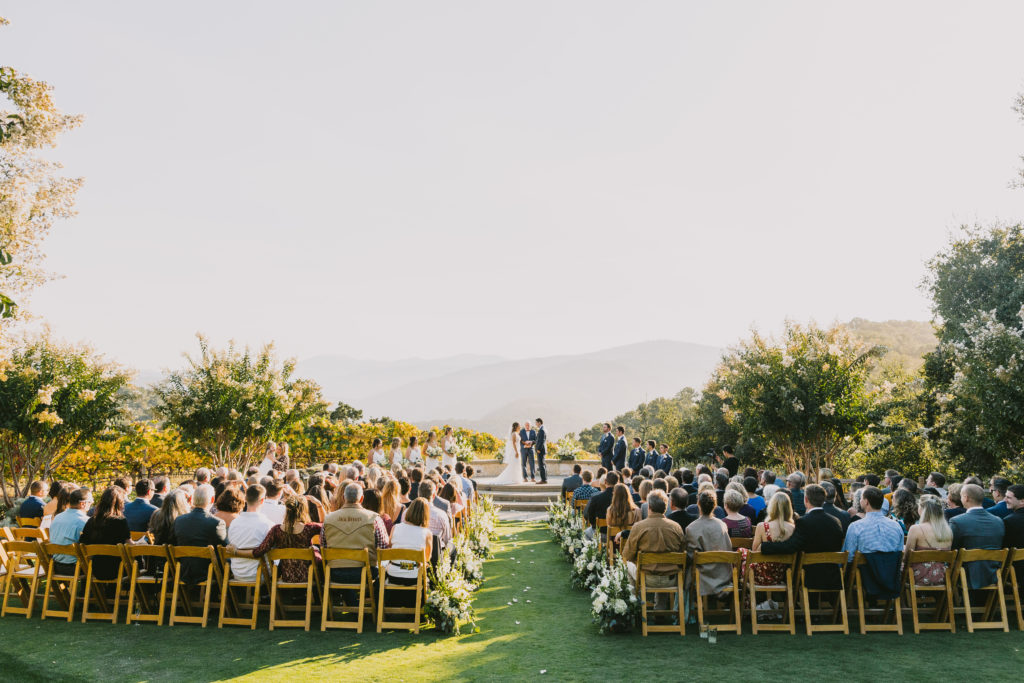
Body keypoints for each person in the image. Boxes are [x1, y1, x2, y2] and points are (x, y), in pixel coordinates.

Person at [761, 485, 845, 590]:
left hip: (809, 576)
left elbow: (790, 546)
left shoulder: (803, 522)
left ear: (806, 500)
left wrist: (764, 547)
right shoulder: (836, 521)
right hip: (833, 576)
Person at [323, 483, 390, 604]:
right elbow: (384, 547)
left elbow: (324, 545)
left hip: (335, 573)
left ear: (343, 498)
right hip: (364, 573)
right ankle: (366, 606)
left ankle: (352, 605)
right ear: (361, 499)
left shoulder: (328, 519)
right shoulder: (374, 518)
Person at [232, 496, 322, 584]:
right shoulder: (310, 528)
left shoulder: (276, 530)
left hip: (286, 576)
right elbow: (327, 527)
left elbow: (258, 551)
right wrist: (319, 505)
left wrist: (236, 552)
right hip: (309, 576)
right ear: (304, 509)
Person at [622, 490, 685, 607]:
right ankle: (659, 610)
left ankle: (633, 605)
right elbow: (683, 552)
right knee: (664, 566)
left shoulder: (638, 527)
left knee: (626, 564)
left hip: (647, 578)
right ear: (665, 507)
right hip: (671, 579)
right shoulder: (676, 527)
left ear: (649, 507)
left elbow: (627, 555)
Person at [950, 483, 1006, 590]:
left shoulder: (957, 521)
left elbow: (952, 549)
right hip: (994, 573)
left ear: (966, 498)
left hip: (966, 575)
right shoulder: (998, 521)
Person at [173, 484, 228, 583]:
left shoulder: (179, 520)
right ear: (212, 499)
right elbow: (225, 548)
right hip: (209, 572)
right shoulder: (216, 523)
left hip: (184, 571)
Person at [384, 498, 433, 606]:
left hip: (393, 574)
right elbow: (427, 558)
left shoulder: (395, 528)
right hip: (413, 577)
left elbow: (390, 548)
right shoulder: (426, 533)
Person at [686, 491, 733, 595]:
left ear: (698, 504)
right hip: (723, 575)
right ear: (715, 505)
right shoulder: (722, 525)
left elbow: (690, 557)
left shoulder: (691, 528)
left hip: (703, 577)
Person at [80, 486, 131, 580]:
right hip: (118, 570)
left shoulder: (91, 521)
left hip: (95, 569)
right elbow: (129, 545)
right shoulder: (120, 521)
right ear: (119, 504)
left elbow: (82, 544)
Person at [748, 491, 796, 590]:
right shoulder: (793, 528)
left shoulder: (762, 526)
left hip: (762, 575)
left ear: (772, 507)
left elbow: (754, 552)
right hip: (782, 575)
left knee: (743, 553)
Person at [226, 484, 273, 583]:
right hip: (260, 573)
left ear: (246, 499)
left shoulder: (234, 523)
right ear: (262, 501)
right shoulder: (267, 524)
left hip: (237, 573)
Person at [904, 495, 953, 586]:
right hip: (942, 576)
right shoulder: (948, 530)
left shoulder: (915, 529)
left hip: (916, 577)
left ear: (923, 509)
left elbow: (906, 558)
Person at [47, 487, 93, 576]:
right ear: (83, 504)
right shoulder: (85, 521)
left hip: (55, 565)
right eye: (90, 502)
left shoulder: (57, 517)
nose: (91, 505)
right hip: (76, 567)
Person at [583, 472, 619, 539]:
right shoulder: (622, 498)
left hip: (601, 532)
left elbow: (590, 517)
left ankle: (592, 549)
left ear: (605, 482)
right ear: (617, 482)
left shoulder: (596, 498)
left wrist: (595, 525)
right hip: (618, 533)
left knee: (586, 533)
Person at [1002, 484, 1024, 589]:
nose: (1004, 500)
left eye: (1009, 497)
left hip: (1016, 572)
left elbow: (1004, 547)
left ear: (1022, 501)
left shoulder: (1009, 521)